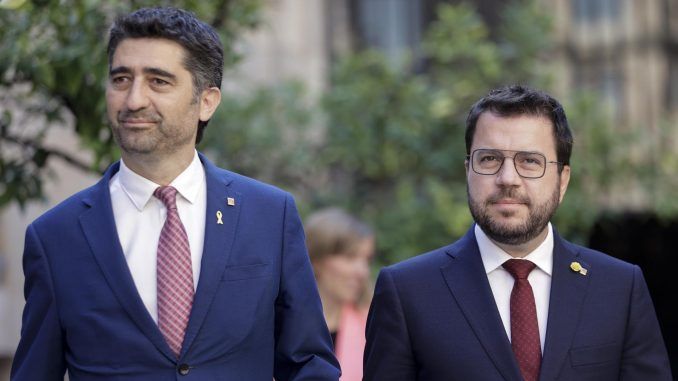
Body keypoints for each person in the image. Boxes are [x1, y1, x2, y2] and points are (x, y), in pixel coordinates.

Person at [11, 7, 339, 381]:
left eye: (158, 81)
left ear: (207, 101)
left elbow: (309, 365)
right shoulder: (55, 236)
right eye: (121, 79)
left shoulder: (269, 215)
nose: (133, 99)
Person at [363, 85, 672, 380]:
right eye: (489, 159)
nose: (507, 178)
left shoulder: (619, 289)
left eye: (529, 161)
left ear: (562, 180)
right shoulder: (407, 293)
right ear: (467, 170)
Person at [305, 208, 375, 381]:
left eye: (367, 259)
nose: (362, 271)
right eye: (350, 257)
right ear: (316, 260)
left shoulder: (373, 324)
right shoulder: (277, 323)